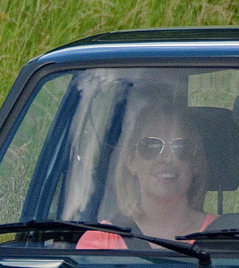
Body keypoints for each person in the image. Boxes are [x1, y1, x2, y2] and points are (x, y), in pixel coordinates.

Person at [77, 101, 218, 250]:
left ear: (197, 164)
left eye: (181, 148)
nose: (167, 158)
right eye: (151, 146)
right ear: (131, 160)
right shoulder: (101, 240)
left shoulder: (224, 236)